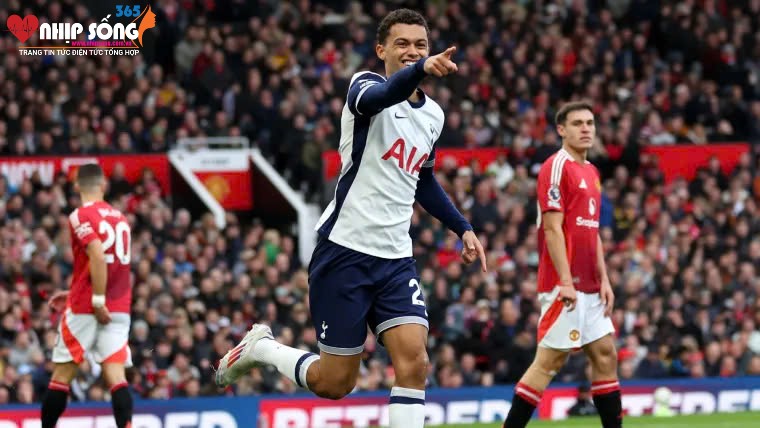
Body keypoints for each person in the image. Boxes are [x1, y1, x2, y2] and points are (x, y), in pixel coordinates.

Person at [215, 8, 486, 427]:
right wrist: (419, 72)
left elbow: (423, 180)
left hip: (396, 258)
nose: (412, 51)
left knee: (415, 361)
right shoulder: (365, 86)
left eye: (420, 45)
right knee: (335, 383)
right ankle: (262, 349)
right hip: (345, 251)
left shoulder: (433, 116)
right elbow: (379, 98)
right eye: (402, 43)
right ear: (381, 50)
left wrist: (462, 227)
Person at [502, 101, 622, 428]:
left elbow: (592, 231)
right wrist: (566, 281)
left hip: (591, 286)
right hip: (562, 284)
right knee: (549, 362)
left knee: (605, 355)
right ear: (561, 130)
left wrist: (605, 279)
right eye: (578, 123)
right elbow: (553, 229)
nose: (586, 129)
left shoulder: (592, 172)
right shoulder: (556, 167)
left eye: (590, 123)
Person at [42, 164, 133, 428]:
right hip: (119, 308)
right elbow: (113, 266)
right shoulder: (122, 219)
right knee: (116, 377)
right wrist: (77, 290)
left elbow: (96, 252)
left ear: (76, 186)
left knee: (62, 375)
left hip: (89, 307)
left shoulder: (79, 215)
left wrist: (96, 300)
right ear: (103, 185)